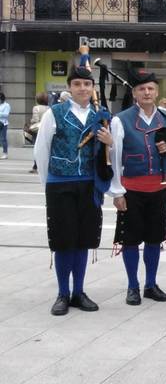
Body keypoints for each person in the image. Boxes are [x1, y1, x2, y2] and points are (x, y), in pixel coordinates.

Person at [34, 66, 113, 315]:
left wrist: (110, 142)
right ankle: (62, 293)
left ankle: (79, 292)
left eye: (87, 84)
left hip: (89, 184)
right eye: (77, 84)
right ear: (69, 87)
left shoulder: (101, 115)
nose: (82, 88)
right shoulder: (54, 113)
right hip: (60, 184)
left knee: (83, 240)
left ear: (92, 88)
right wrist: (47, 183)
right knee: (63, 241)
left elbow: (110, 152)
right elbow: (41, 150)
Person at [108, 69, 166, 305]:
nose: (147, 92)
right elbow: (115, 156)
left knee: (154, 238)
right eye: (142, 89)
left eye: (150, 88)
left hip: (158, 188)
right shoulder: (121, 120)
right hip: (131, 190)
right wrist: (117, 191)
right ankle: (133, 286)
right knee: (130, 240)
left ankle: (151, 284)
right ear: (134, 93)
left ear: (157, 91)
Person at [27, 92, 50, 173]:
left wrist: (31, 121)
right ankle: (44, 166)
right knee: (46, 149)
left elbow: (35, 120)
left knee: (37, 148)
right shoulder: (49, 108)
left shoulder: (36, 108)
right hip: (47, 130)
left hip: (38, 130)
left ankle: (35, 166)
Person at [0, 92, 10, 159]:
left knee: (3, 138)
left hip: (3, 123)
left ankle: (5, 153)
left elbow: (6, 114)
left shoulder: (6, 105)